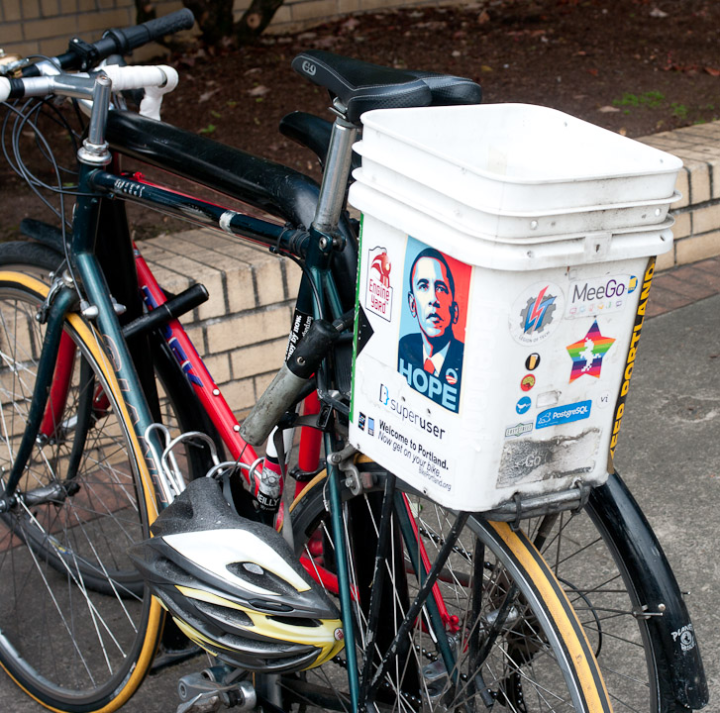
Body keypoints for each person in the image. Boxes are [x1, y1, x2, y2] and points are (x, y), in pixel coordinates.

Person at [397, 248, 464, 413]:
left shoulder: (464, 360)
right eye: (423, 286)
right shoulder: (403, 348)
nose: (434, 299)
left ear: (454, 311)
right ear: (412, 305)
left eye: (441, 288)